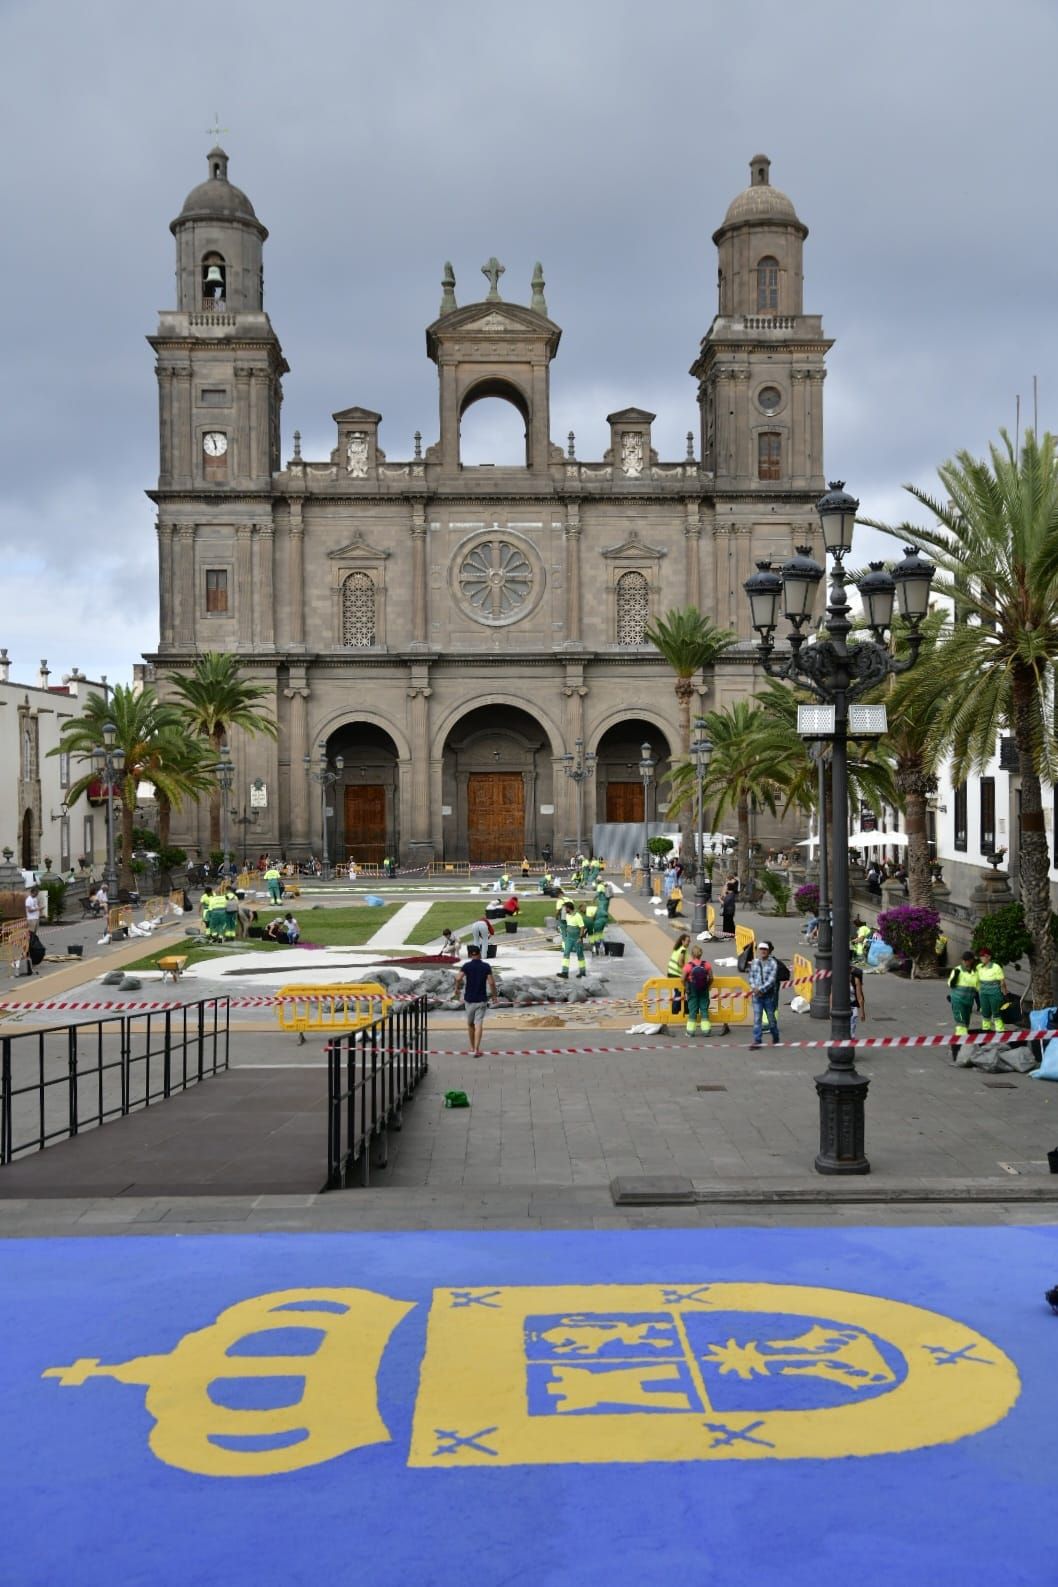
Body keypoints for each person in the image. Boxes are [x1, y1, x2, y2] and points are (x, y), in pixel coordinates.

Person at [453, 943, 496, 1057]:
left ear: (470, 955)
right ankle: (477, 1049)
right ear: (479, 954)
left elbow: (458, 977)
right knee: (479, 1024)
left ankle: (472, 1047)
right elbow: (491, 982)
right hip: (481, 999)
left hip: (469, 1000)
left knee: (470, 1024)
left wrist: (456, 989)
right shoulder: (486, 966)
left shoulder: (466, 966)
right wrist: (494, 996)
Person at [748, 940, 780, 1049]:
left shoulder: (773, 963)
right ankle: (757, 1041)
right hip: (756, 996)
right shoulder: (755, 962)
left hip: (768, 996)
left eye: (765, 949)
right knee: (757, 1019)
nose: (763, 951)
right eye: (761, 949)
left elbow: (771, 980)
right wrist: (754, 988)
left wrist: (760, 989)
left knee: (771, 1020)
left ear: (769, 951)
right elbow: (751, 977)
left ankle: (775, 1035)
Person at [948, 951, 979, 1051]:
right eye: (964, 960)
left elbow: (978, 988)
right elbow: (950, 984)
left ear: (971, 961)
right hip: (958, 1001)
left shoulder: (975, 972)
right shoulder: (957, 970)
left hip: (968, 1002)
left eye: (967, 960)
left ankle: (959, 1044)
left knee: (966, 1023)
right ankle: (959, 1047)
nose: (965, 962)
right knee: (961, 1023)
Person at [976, 945, 1008, 1035]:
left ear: (989, 957)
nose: (982, 958)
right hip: (983, 993)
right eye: (981, 956)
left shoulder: (996, 967)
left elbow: (1002, 982)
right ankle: (986, 1031)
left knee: (996, 1012)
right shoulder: (979, 967)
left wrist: (1005, 994)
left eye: (984, 956)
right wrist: (978, 990)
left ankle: (1000, 1032)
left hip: (994, 993)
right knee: (985, 1013)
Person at [682, 946, 713, 1037]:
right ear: (700, 954)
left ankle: (690, 1032)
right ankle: (706, 1031)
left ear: (692, 954)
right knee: (704, 1009)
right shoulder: (706, 964)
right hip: (704, 989)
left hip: (692, 990)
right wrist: (708, 985)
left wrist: (686, 987)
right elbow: (711, 977)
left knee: (692, 1010)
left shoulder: (688, 966)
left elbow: (682, 979)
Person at [558, 901, 587, 979]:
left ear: (568, 908)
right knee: (566, 953)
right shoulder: (567, 915)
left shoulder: (577, 916)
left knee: (580, 955)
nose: (564, 910)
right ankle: (564, 972)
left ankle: (582, 972)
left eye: (565, 908)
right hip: (569, 938)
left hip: (577, 938)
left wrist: (580, 938)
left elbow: (582, 927)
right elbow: (566, 924)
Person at [668, 931, 690, 1014]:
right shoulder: (683, 950)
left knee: (680, 992)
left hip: (671, 973)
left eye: (689, 941)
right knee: (680, 992)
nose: (689, 943)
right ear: (682, 941)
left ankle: (684, 1009)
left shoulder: (677, 949)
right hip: (676, 974)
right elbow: (680, 962)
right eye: (687, 941)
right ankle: (675, 1010)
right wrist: (686, 971)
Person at [850, 963, 866, 1038]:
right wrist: (831, 1009)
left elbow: (860, 997)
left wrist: (862, 1012)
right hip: (841, 1007)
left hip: (852, 1006)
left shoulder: (855, 980)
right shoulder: (838, 978)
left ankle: (851, 1039)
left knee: (852, 1031)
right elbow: (832, 995)